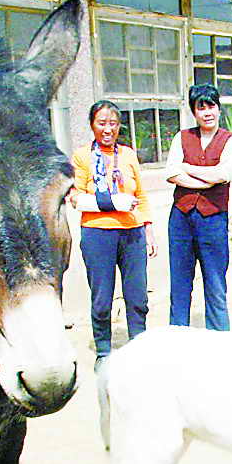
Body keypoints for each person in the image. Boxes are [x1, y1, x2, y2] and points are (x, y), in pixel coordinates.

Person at [69, 100, 157, 362]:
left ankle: (139, 348)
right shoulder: (82, 156)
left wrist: (148, 231)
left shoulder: (128, 155)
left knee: (138, 295)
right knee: (102, 298)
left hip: (132, 232)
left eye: (113, 124)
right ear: (92, 125)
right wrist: (112, 202)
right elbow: (76, 198)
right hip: (98, 234)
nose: (108, 129)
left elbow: (140, 195)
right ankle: (104, 352)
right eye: (102, 123)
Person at [165, 83, 232, 330]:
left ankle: (220, 339)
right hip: (181, 219)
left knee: (215, 283)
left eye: (211, 106)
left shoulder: (231, 141)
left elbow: (223, 174)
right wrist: (204, 178)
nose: (207, 112)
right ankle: (178, 336)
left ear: (219, 109)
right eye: (201, 107)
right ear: (194, 112)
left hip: (213, 220)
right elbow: (171, 173)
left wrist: (187, 168)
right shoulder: (182, 137)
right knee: (180, 284)